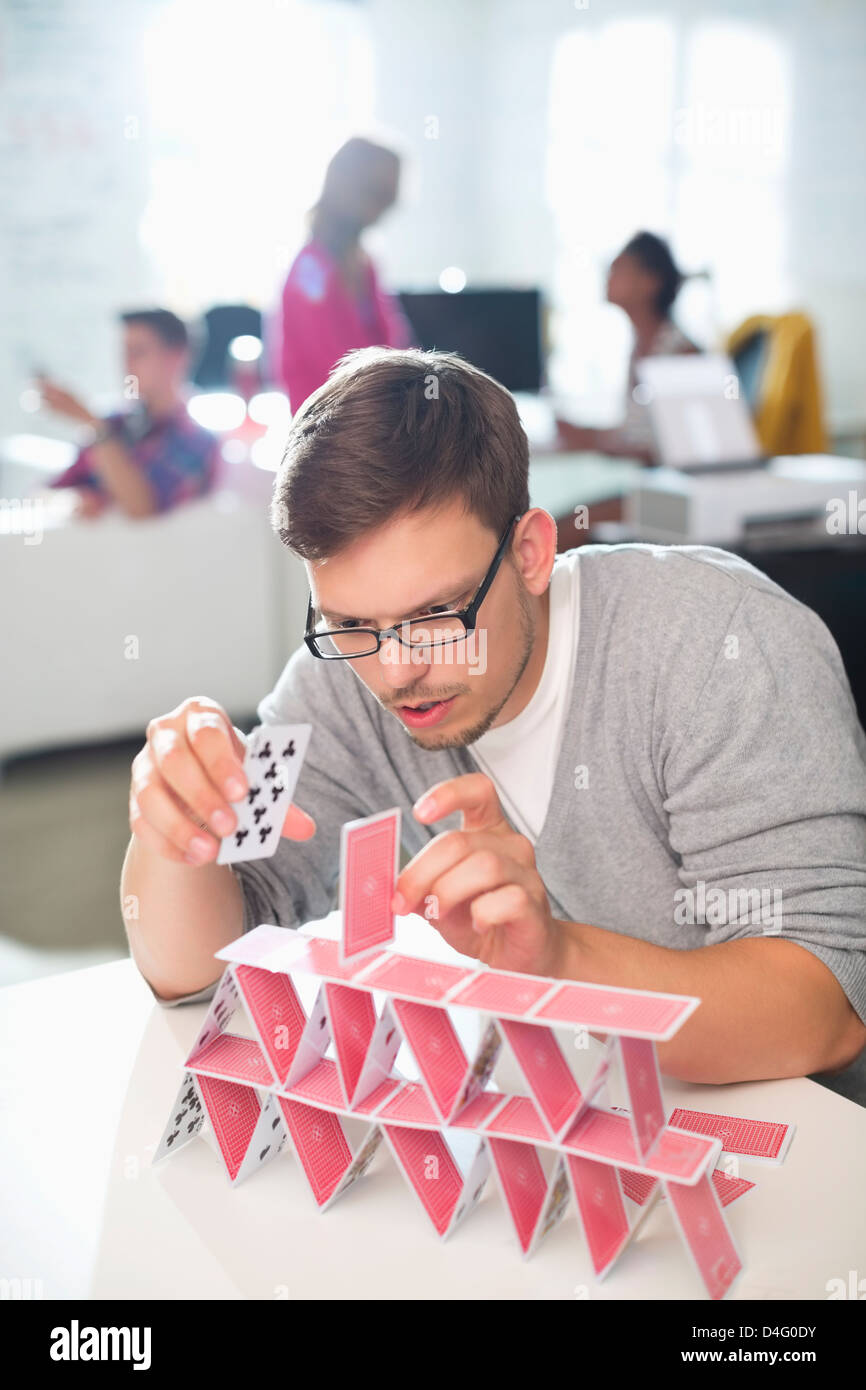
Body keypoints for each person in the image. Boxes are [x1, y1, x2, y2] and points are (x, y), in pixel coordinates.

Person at [122, 347, 866, 1087]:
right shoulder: (339, 679)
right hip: (562, 1134)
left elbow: (826, 1005)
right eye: (350, 621)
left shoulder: (716, 644)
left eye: (437, 614)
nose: (395, 671)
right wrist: (175, 830)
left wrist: (558, 963)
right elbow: (202, 972)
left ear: (533, 553)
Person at [272, 137, 412, 413]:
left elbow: (396, 345)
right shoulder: (309, 272)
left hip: (373, 419)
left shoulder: (365, 265)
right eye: (379, 196)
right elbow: (335, 369)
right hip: (330, 430)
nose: (383, 212)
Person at [42, 309, 219, 519]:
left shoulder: (196, 438)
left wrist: (95, 426)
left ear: (177, 356)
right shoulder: (114, 422)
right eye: (124, 352)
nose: (126, 364)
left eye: (138, 352)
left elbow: (143, 509)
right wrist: (75, 500)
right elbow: (45, 494)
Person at [556, 231, 699, 463]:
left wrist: (595, 444)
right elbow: (637, 433)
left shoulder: (682, 356)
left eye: (618, 269)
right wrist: (587, 434)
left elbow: (680, 451)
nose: (608, 276)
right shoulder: (640, 347)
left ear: (650, 282)